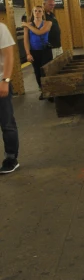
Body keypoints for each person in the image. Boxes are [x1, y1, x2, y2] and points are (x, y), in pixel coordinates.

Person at [0, 21, 20, 174]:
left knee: (7, 123)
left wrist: (5, 80)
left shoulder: (1, 28)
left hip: (0, 83)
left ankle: (11, 158)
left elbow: (8, 55)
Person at [22, 5, 53, 100]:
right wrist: (28, 53)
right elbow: (26, 40)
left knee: (47, 71)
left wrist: (27, 25)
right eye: (35, 11)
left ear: (43, 13)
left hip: (46, 51)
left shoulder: (48, 23)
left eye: (40, 11)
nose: (37, 13)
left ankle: (50, 92)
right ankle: (43, 91)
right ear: (32, 12)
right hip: (34, 52)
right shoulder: (28, 25)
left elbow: (40, 32)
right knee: (37, 72)